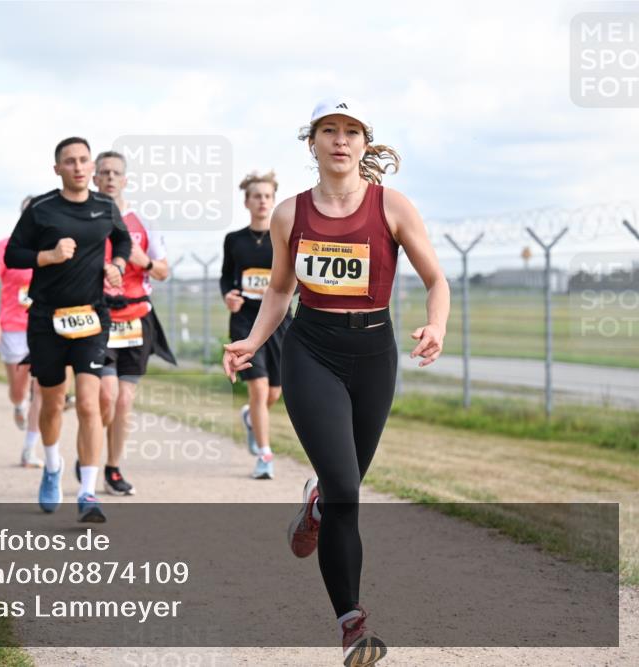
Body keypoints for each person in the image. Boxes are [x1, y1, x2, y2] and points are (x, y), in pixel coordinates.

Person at [223, 97, 449, 666]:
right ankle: (353, 626)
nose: (340, 140)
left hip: (374, 354)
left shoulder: (392, 206)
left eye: (351, 131)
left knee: (344, 488)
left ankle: (317, 505)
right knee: (346, 490)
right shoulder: (289, 214)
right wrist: (253, 340)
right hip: (312, 350)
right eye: (329, 130)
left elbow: (436, 280)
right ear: (313, 142)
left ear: (364, 143)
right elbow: (280, 289)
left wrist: (437, 324)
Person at [5, 137, 130, 523]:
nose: (78, 167)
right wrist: (48, 256)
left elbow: (122, 239)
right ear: (57, 168)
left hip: (91, 316)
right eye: (70, 161)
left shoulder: (105, 206)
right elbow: (13, 254)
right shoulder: (42, 209)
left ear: (91, 166)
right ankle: (53, 465)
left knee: (91, 403)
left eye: (83, 160)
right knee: (53, 402)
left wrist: (118, 266)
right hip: (47, 319)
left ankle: (88, 493)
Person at [91, 150, 175, 496]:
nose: (110, 177)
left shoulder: (143, 222)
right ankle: (89, 454)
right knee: (106, 396)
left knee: (124, 400)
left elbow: (164, 271)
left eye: (116, 173)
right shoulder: (86, 220)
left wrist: (144, 261)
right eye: (104, 172)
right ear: (95, 179)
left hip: (137, 317)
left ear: (125, 180)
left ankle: (112, 468)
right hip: (99, 317)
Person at [220, 170, 288, 480]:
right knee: (259, 389)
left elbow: (295, 281)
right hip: (245, 322)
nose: (262, 201)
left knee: (273, 393)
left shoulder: (284, 236)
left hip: (278, 321)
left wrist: (281, 294)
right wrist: (229, 296)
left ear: (274, 201)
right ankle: (265, 455)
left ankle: (250, 417)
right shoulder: (234, 240)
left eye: (267, 196)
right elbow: (226, 277)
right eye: (257, 196)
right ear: (247, 202)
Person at [0, 196, 44, 467]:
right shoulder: (6, 247)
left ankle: (29, 450)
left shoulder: (53, 247)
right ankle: (19, 404)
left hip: (43, 324)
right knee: (18, 390)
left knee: (41, 388)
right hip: (13, 326)